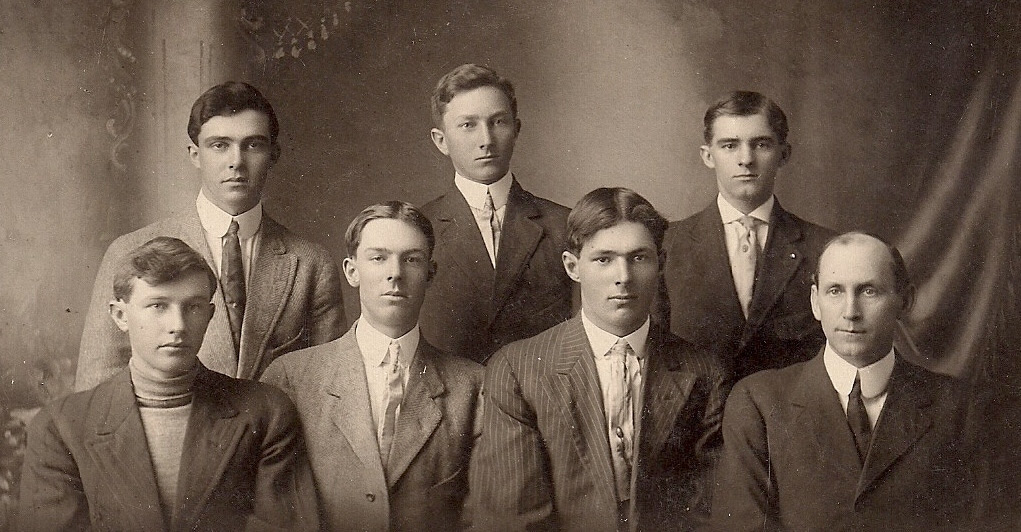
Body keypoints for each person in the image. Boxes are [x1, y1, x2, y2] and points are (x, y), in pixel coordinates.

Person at [469, 188, 728, 530]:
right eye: (604, 259)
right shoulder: (518, 370)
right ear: (573, 267)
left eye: (639, 258)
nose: (623, 276)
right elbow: (513, 517)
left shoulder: (704, 371)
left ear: (660, 264)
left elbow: (709, 512)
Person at [19, 237, 318, 531]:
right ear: (120, 315)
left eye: (193, 307)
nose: (178, 325)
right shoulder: (61, 427)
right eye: (158, 306)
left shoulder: (266, 414)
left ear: (210, 315)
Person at [75, 81, 345, 391]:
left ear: (274, 153)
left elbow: (327, 393)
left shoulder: (310, 264)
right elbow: (98, 389)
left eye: (253, 145)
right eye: (220, 145)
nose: (236, 162)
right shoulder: (130, 250)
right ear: (194, 154)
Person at [711, 232, 974, 530]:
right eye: (835, 291)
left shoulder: (957, 406)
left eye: (869, 291)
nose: (851, 312)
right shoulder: (758, 403)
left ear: (905, 301)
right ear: (815, 301)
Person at [261, 201, 482, 531]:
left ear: (430, 274)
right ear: (352, 271)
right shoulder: (291, 377)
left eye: (411, 259)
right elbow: (275, 509)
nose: (395, 272)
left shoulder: (473, 386)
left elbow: (479, 514)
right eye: (378, 258)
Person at [660, 90, 834, 382]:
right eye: (729, 145)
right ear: (707, 156)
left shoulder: (823, 249)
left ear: (784, 154)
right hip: (694, 421)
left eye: (761, 144)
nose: (746, 159)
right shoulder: (667, 244)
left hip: (788, 420)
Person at [420, 63, 574, 364]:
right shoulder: (419, 229)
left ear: (516, 129)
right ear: (441, 141)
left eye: (498, 122)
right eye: (468, 125)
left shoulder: (564, 225)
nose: (486, 140)